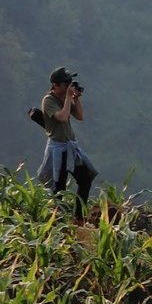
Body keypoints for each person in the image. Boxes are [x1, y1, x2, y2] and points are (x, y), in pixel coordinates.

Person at [37, 66, 97, 219]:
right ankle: (59, 220)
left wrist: (76, 98)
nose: (69, 85)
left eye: (70, 81)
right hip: (58, 148)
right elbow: (62, 117)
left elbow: (80, 116)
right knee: (59, 187)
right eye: (65, 83)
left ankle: (78, 216)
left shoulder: (66, 98)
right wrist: (69, 98)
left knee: (85, 179)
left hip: (71, 146)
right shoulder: (48, 100)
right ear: (55, 85)